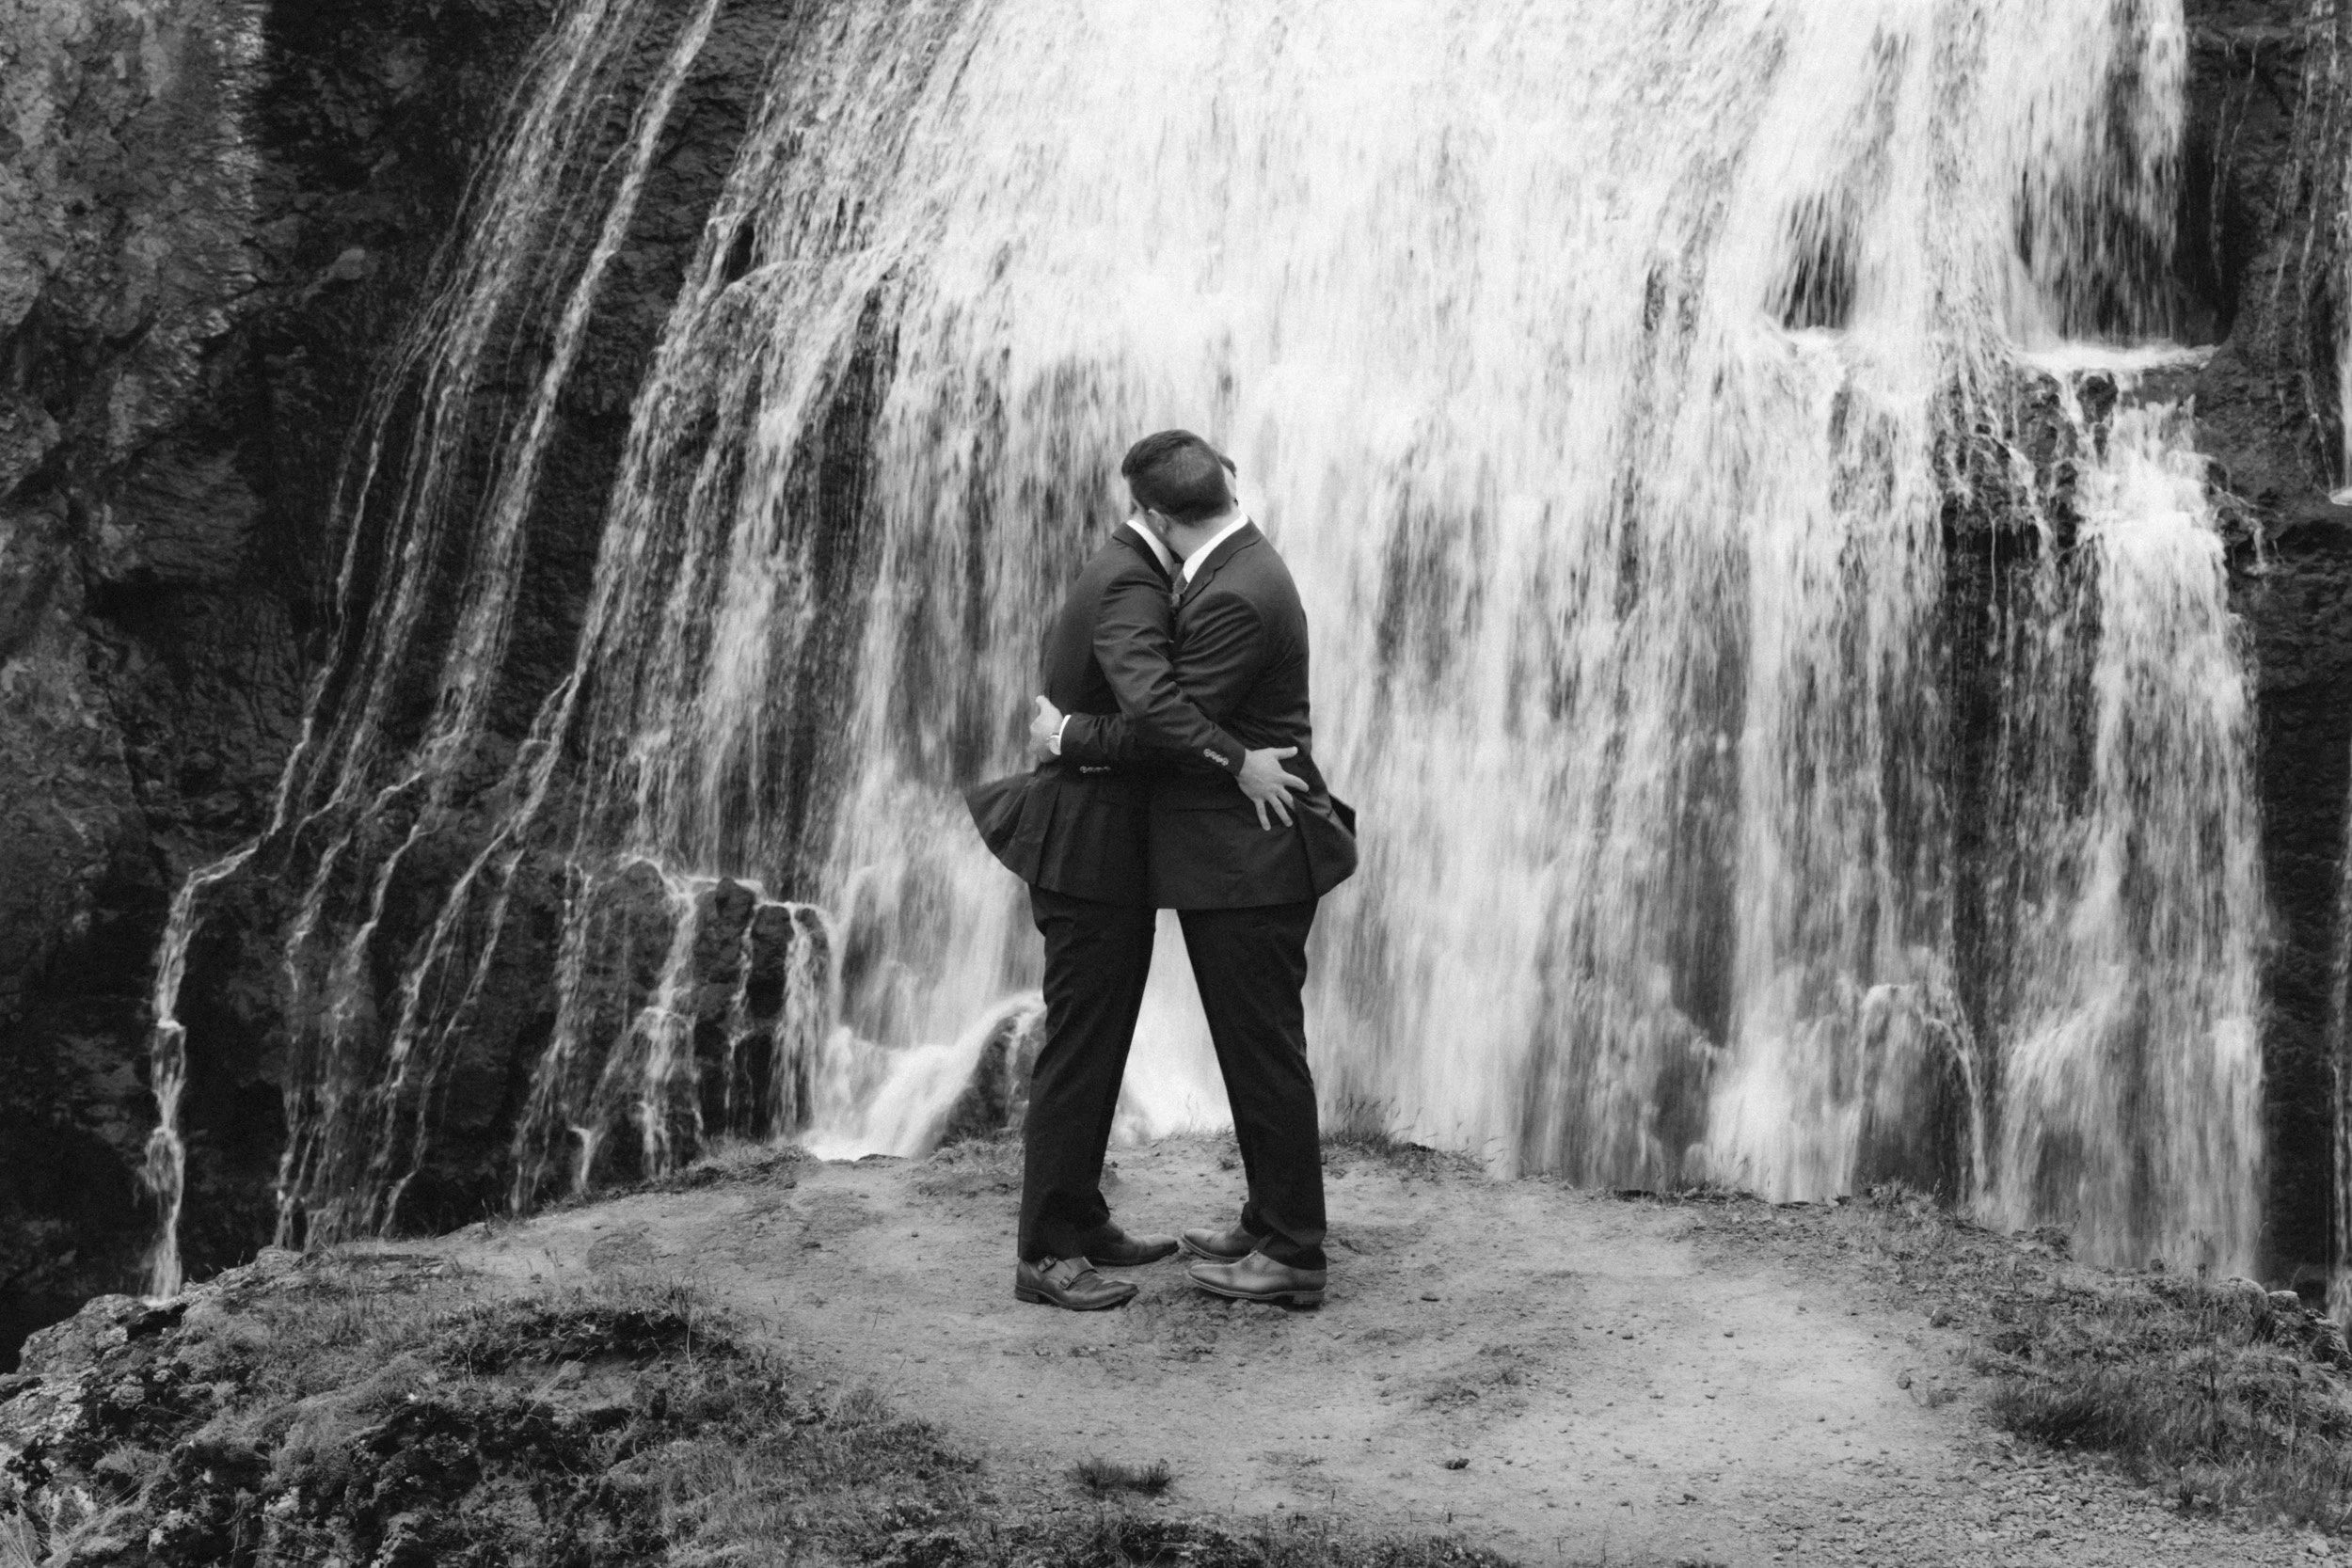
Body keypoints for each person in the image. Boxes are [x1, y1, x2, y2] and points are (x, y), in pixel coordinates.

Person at [964, 444, 1305, 1311]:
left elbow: (1154, 711)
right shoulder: (1133, 583)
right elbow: (1156, 714)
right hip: (1088, 847)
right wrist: (1236, 760)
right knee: (1083, 1045)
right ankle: (1048, 1250)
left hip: (1113, 848)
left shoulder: (1157, 575)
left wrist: (1069, 731)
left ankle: (1081, 1218)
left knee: (1100, 1039)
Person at [1036, 429, 1358, 1308]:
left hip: (1249, 859)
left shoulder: (1236, 595)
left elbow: (1165, 727)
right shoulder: (1236, 567)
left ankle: (1291, 1251)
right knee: (1258, 1048)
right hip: (1236, 857)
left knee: (1263, 1055)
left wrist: (1067, 733)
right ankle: (1269, 1219)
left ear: (1156, 513)